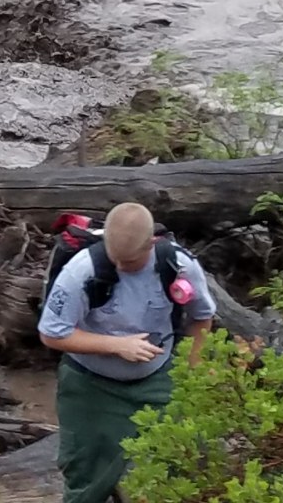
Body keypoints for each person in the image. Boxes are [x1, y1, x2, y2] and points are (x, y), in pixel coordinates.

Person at [37, 202, 216, 503]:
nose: (120, 268)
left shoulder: (177, 264)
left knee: (180, 459)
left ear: (151, 244)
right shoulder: (81, 271)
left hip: (157, 379)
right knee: (85, 474)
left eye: (130, 262)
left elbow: (202, 316)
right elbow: (51, 333)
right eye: (114, 259)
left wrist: (193, 372)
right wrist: (118, 346)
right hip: (90, 385)